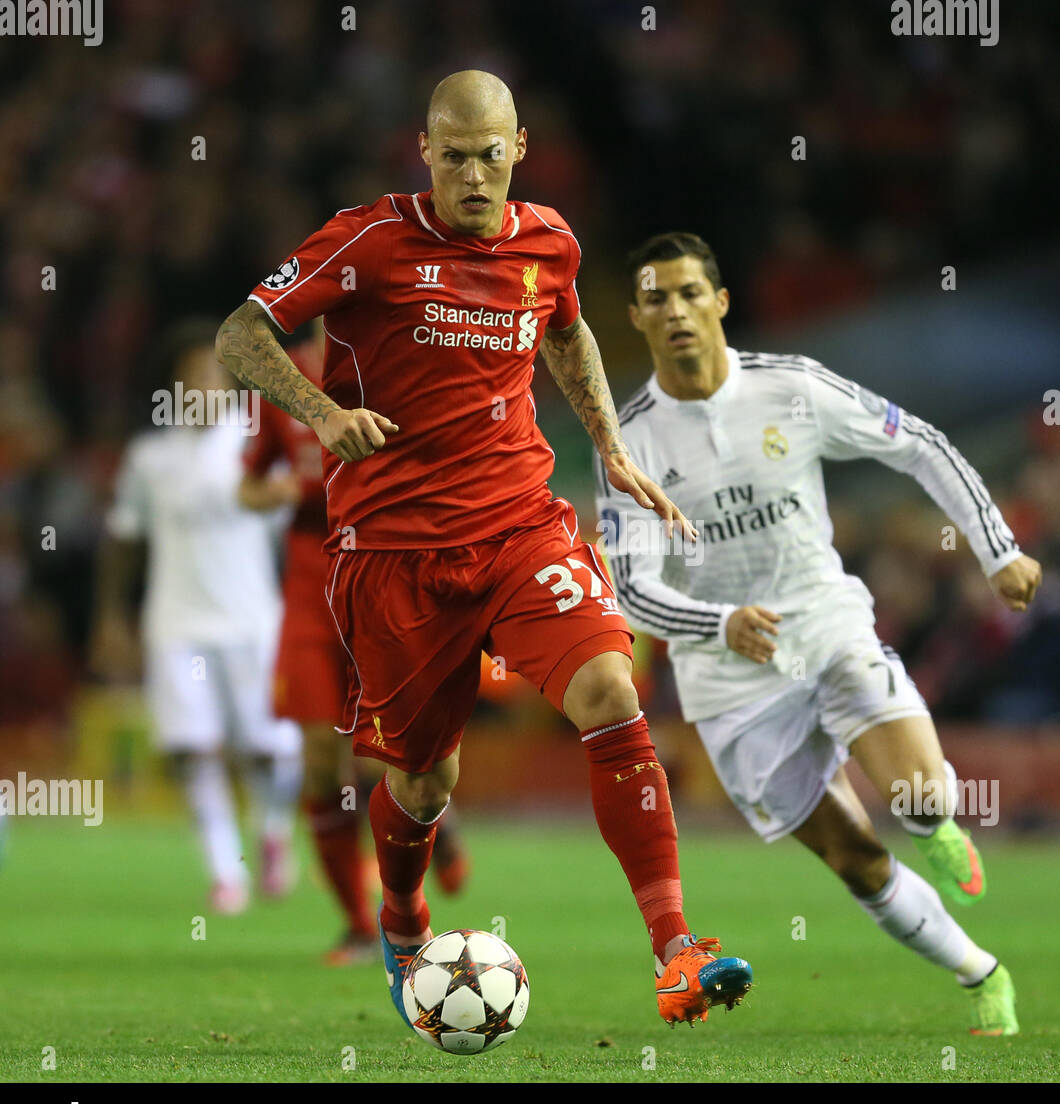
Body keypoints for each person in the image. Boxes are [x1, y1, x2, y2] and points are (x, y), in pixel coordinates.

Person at [215, 71, 751, 1028]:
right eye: (453, 155)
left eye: (488, 154)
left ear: (520, 148)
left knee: (610, 688)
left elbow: (571, 332)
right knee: (422, 783)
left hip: (518, 527)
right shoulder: (369, 241)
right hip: (391, 554)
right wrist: (322, 410)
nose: (472, 173)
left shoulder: (549, 241)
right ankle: (401, 911)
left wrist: (611, 446)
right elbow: (241, 333)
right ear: (424, 150)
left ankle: (675, 947)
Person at [596, 232, 1043, 1035]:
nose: (676, 311)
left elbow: (921, 446)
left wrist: (997, 550)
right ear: (635, 316)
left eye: (691, 292)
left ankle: (936, 824)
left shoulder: (791, 389)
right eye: (656, 298)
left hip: (825, 622)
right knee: (858, 861)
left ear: (720, 302)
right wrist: (720, 622)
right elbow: (632, 587)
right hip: (727, 678)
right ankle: (984, 974)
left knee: (918, 795)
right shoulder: (628, 442)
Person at [238, 325, 471, 966]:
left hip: (385, 577)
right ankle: (357, 927)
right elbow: (248, 485)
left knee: (389, 750)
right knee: (320, 759)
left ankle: (432, 820)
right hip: (311, 591)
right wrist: (283, 492)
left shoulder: (400, 367)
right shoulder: (282, 383)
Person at [93, 320, 302, 914]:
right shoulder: (150, 458)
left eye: (209, 373)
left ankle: (271, 833)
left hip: (254, 621)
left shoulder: (260, 443)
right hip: (175, 624)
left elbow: (302, 534)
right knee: (194, 750)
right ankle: (223, 871)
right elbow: (124, 540)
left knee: (269, 752)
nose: (199, 385)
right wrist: (112, 616)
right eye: (186, 376)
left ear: (231, 381)